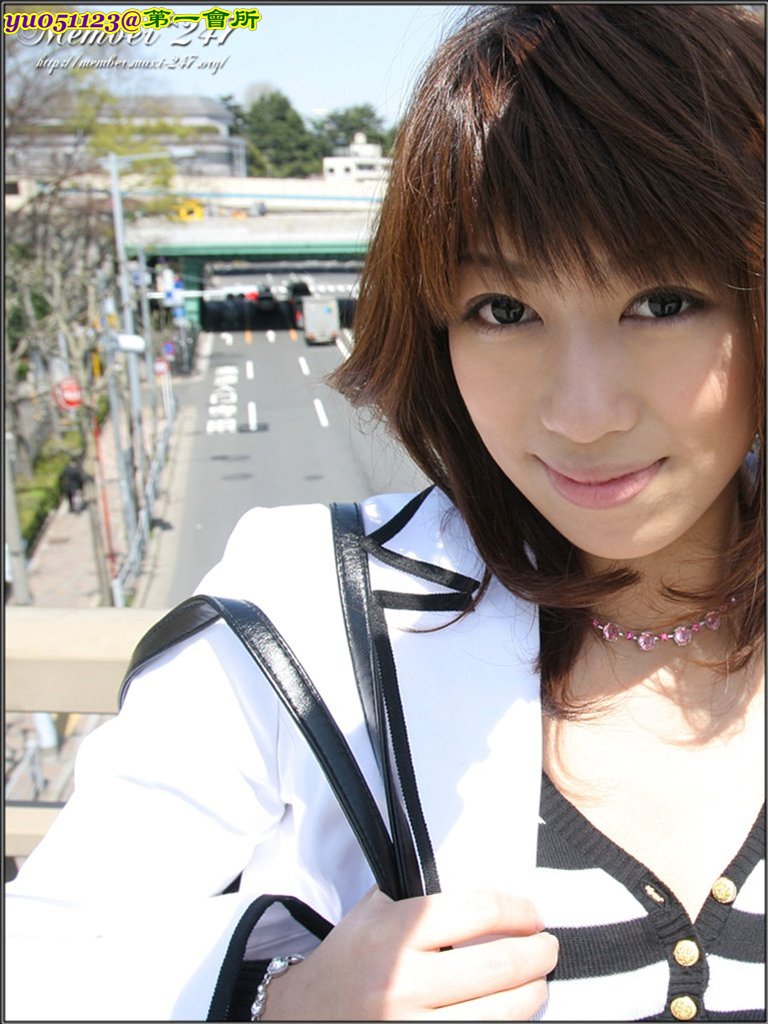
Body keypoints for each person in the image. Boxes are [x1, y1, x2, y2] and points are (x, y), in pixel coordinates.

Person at [6, 5, 764, 1021]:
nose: (584, 414)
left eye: (662, 302)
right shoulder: (304, 617)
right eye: (505, 311)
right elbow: (41, 959)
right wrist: (283, 1004)